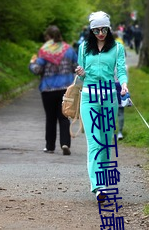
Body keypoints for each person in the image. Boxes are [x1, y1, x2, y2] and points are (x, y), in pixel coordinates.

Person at [75, 11, 128, 201]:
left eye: (103, 29)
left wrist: (123, 84)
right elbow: (81, 75)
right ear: (91, 30)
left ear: (109, 28)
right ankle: (98, 186)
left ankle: (103, 181)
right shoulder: (83, 48)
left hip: (109, 98)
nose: (100, 33)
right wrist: (80, 72)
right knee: (94, 141)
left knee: (105, 142)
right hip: (89, 98)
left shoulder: (117, 48)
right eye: (96, 30)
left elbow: (121, 70)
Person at [29, 25, 78, 155]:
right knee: (64, 117)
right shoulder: (69, 50)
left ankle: (50, 146)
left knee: (50, 118)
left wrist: (32, 63)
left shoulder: (44, 51)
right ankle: (65, 143)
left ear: (48, 37)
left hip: (48, 89)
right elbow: (76, 67)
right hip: (65, 89)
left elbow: (37, 70)